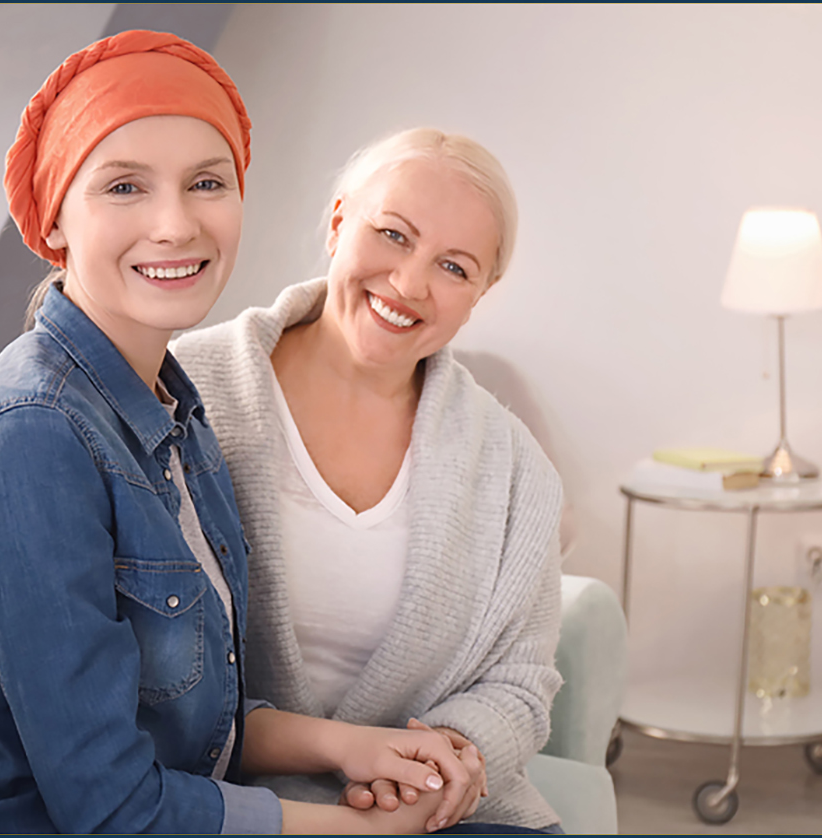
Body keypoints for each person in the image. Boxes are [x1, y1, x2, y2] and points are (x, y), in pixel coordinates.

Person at [0, 33, 480, 834]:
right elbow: (112, 807)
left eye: (206, 183)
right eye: (124, 187)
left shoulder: (174, 409)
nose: (175, 225)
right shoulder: (29, 436)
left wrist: (351, 748)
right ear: (55, 220)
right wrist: (364, 831)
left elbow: (190, 719)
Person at [173, 128, 566, 832]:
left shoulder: (515, 469)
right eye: (392, 235)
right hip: (229, 799)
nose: (411, 284)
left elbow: (522, 681)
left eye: (454, 267)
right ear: (336, 223)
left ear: (482, 290)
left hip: (442, 812)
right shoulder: (182, 391)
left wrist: (440, 764)